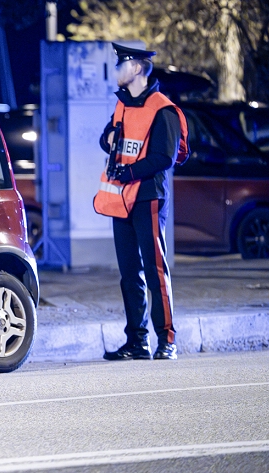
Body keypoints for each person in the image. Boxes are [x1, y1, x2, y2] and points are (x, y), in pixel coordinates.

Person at [94, 43, 189, 361]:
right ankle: (137, 341)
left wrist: (130, 171)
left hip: (148, 196)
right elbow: (106, 138)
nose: (116, 71)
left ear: (136, 68)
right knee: (129, 272)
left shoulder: (163, 109)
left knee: (154, 269)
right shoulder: (122, 105)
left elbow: (165, 158)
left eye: (120, 65)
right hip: (121, 197)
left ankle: (167, 340)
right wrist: (108, 139)